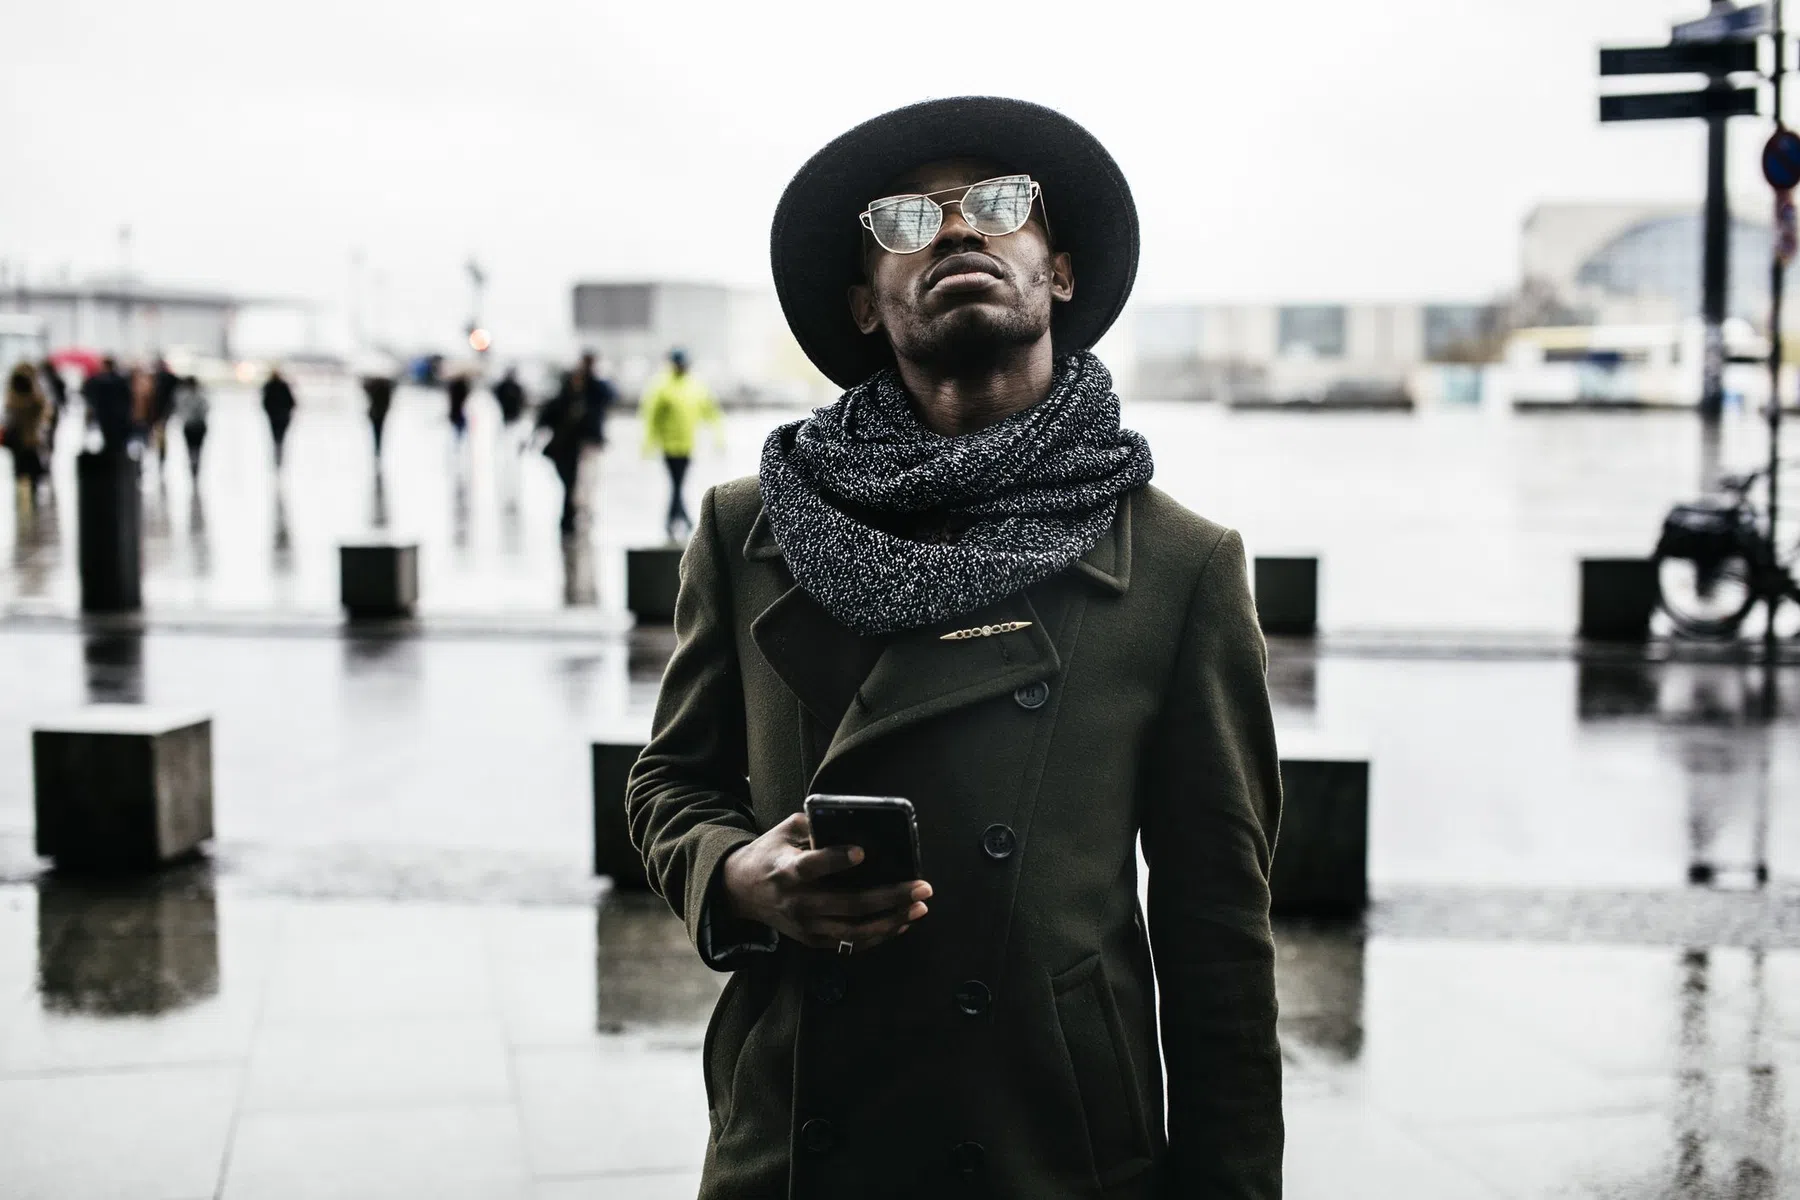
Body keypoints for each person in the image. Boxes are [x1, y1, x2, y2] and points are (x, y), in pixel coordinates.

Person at [625, 98, 1283, 1199]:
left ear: (1060, 272)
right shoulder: (751, 527)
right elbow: (670, 785)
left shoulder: (1182, 566)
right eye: (904, 221)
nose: (958, 231)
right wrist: (738, 878)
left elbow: (1219, 942)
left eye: (998, 205)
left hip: (1051, 1150)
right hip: (793, 1146)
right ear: (863, 306)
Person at [639, 347, 723, 541]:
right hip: (669, 446)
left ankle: (677, 519)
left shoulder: (695, 386)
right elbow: (652, 417)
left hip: (687, 446)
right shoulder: (661, 386)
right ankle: (680, 520)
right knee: (677, 484)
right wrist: (648, 443)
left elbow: (711, 412)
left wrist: (718, 437)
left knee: (678, 484)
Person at [534, 353, 614, 536]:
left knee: (580, 485)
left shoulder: (591, 395)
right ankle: (569, 519)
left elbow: (610, 395)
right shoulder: (563, 401)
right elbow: (545, 419)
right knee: (571, 486)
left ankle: (572, 518)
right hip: (563, 451)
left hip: (581, 449)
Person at [4, 362, 50, 510]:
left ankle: (24, 501)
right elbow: (43, 409)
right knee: (31, 470)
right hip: (30, 440)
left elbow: (8, 415)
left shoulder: (13, 399)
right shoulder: (34, 399)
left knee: (21, 471)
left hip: (19, 440)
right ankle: (30, 499)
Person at [80, 357, 133, 453]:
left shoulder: (97, 380)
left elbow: (87, 392)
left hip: (105, 414)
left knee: (109, 437)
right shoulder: (120, 380)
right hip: (115, 415)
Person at [261, 366, 296, 468]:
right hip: (282, 417)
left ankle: (277, 456)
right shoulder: (282, 385)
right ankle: (278, 456)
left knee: (276, 438)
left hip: (276, 417)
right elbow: (292, 402)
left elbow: (265, 402)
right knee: (280, 438)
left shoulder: (269, 386)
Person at [177, 375, 209, 479]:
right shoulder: (186, 396)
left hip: (195, 426)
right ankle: (194, 466)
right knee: (194, 449)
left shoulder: (197, 396)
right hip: (192, 426)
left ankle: (194, 466)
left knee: (194, 449)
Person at [151, 357, 180, 469]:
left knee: (160, 433)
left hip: (159, 411)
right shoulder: (169, 378)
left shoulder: (158, 379)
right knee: (160, 433)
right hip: (163, 411)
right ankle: (161, 454)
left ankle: (161, 454)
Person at [361, 374, 395, 459]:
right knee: (378, 432)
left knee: (377, 432)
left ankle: (377, 449)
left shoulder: (373, 387)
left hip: (376, 413)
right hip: (378, 413)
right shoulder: (386, 387)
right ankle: (378, 449)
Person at [446, 374, 471, 444]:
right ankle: (458, 443)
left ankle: (457, 443)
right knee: (459, 431)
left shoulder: (454, 387)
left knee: (457, 431)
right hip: (459, 413)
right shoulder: (461, 388)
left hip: (457, 413)